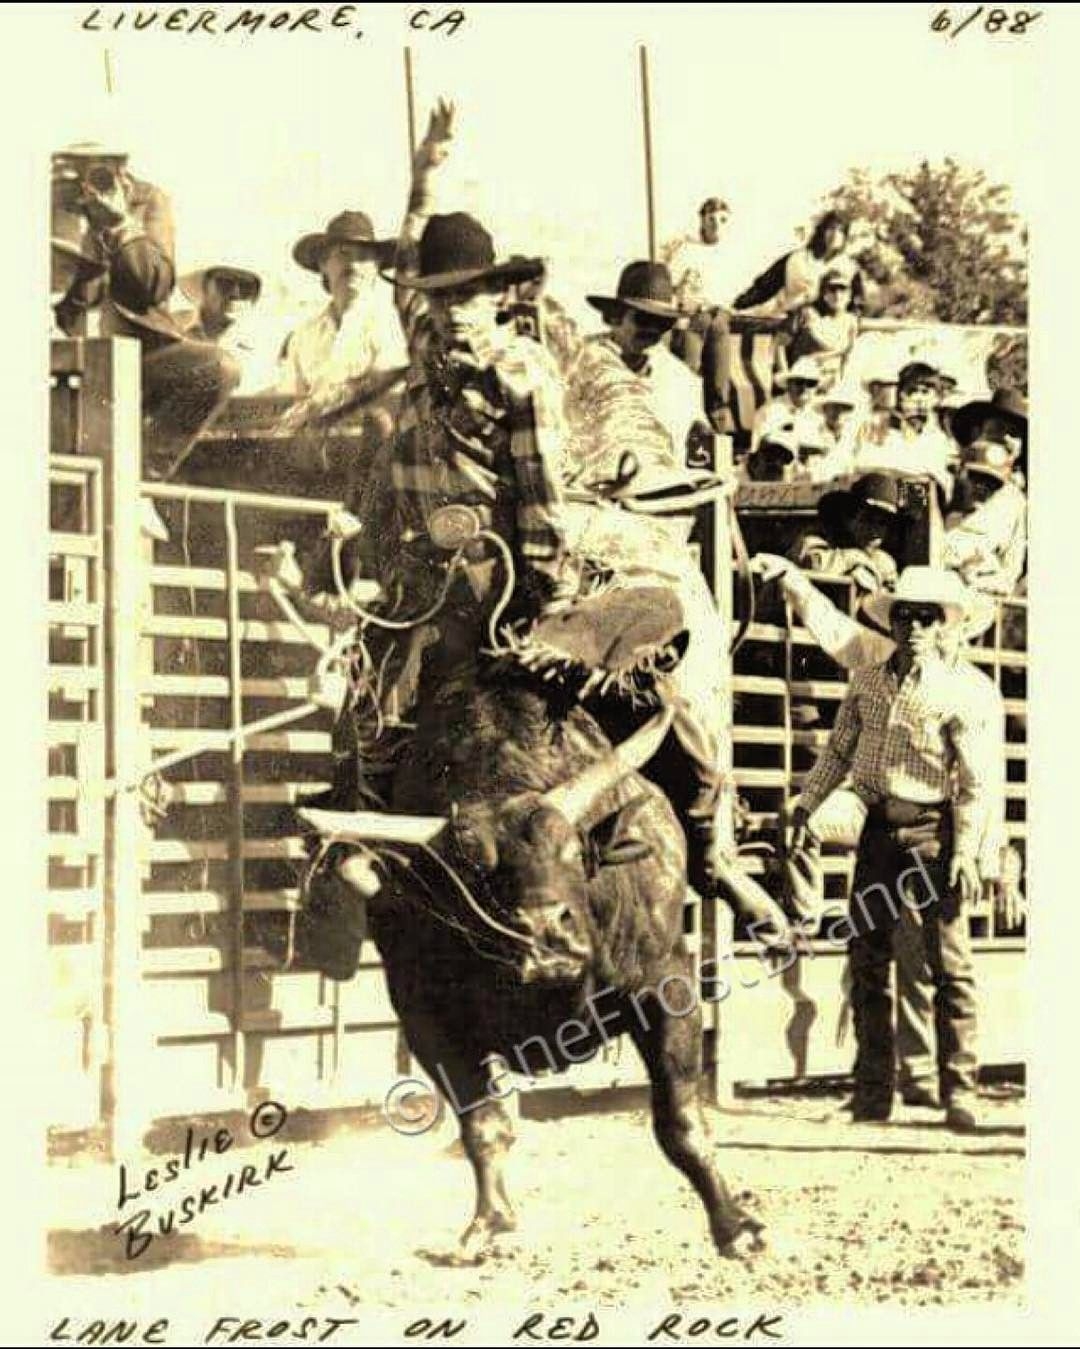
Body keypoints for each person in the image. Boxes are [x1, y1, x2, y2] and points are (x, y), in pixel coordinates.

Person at [790, 567, 1005, 1130]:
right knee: (867, 962)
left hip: (935, 831)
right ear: (892, 619)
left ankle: (961, 1090)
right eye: (905, 614)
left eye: (926, 616)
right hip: (878, 832)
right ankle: (872, 1094)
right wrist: (805, 805)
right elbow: (838, 752)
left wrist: (967, 849)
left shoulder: (962, 690)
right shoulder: (865, 679)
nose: (913, 626)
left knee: (949, 964)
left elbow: (976, 781)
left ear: (943, 627)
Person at [51, 142, 241, 478]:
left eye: (111, 165)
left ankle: (138, 479)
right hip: (62, 355)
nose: (99, 178)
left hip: (136, 360)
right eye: (88, 165)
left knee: (217, 368)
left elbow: (154, 287)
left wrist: (121, 227)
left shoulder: (148, 200)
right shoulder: (45, 198)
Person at [277, 210, 409, 429]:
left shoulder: (394, 325)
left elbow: (389, 389)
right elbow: (289, 400)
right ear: (323, 264)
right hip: (314, 447)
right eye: (344, 254)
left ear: (376, 266)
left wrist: (320, 404)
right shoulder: (304, 335)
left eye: (364, 257)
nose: (354, 266)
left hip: (379, 446)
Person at [662, 196, 739, 434]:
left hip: (719, 320)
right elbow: (672, 287)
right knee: (689, 378)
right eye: (712, 219)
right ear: (702, 220)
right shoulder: (687, 249)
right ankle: (684, 435)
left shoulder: (731, 254)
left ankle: (720, 443)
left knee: (719, 383)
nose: (717, 224)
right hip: (694, 320)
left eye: (723, 220)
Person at [734, 210, 864, 318]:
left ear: (845, 236)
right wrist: (737, 306)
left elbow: (857, 304)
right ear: (821, 231)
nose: (834, 235)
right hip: (793, 324)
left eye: (841, 231)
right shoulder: (796, 259)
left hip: (830, 330)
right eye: (830, 228)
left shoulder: (850, 267)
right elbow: (764, 287)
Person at [854, 361, 955, 501]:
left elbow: (945, 480)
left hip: (926, 504)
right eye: (912, 391)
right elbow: (864, 466)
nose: (919, 399)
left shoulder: (941, 436)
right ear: (901, 396)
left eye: (925, 392)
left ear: (935, 398)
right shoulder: (878, 429)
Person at [791, 472, 901, 595]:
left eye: (882, 523)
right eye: (868, 519)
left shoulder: (884, 562)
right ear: (849, 517)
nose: (875, 531)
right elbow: (814, 563)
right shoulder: (816, 540)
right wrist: (857, 561)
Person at [176, 262, 277, 394]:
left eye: (246, 286)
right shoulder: (171, 329)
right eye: (225, 283)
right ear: (203, 287)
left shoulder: (263, 341)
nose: (236, 293)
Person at [785, 267, 859, 388]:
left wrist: (842, 384)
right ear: (824, 293)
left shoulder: (851, 321)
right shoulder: (808, 315)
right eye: (832, 290)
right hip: (805, 379)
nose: (837, 295)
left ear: (849, 295)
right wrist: (787, 377)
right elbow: (780, 344)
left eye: (842, 290)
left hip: (833, 381)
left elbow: (847, 359)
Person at [792, 378, 861, 482]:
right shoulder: (809, 436)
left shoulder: (853, 440)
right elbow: (804, 472)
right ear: (825, 409)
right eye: (833, 408)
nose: (838, 413)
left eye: (843, 408)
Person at [750, 356, 822, 453]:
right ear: (789, 384)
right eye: (799, 382)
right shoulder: (772, 410)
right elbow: (766, 444)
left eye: (811, 383)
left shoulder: (817, 415)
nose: (804, 388)